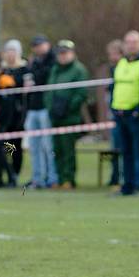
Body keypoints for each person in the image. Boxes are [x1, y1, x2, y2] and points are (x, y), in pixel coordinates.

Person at [44, 40, 89, 189]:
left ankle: (68, 179)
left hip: (69, 117)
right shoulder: (55, 69)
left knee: (68, 149)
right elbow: (49, 92)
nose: (62, 56)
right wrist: (51, 108)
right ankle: (58, 177)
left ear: (72, 53)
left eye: (65, 53)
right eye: (60, 53)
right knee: (57, 150)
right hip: (55, 116)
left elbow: (81, 94)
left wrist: (67, 108)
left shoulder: (78, 70)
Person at [111, 31, 139, 196]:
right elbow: (116, 87)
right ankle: (127, 185)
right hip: (120, 115)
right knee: (125, 152)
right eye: (128, 42)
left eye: (135, 42)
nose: (131, 45)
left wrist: (137, 110)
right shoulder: (121, 63)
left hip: (136, 115)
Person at [24, 35, 59, 189]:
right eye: (35, 45)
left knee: (48, 146)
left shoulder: (53, 59)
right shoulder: (34, 61)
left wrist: (34, 78)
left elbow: (45, 76)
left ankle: (52, 178)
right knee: (34, 147)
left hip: (45, 108)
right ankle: (37, 178)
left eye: (40, 45)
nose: (38, 48)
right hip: (33, 108)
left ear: (48, 44)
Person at [0, 53, 19, 187]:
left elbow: (8, 104)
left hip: (2, 122)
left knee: (0, 150)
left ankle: (11, 177)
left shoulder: (5, 80)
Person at [1, 39, 30, 177]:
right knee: (5, 145)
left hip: (18, 113)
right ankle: (6, 171)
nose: (11, 54)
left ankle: (16, 172)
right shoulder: (2, 69)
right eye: (8, 51)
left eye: (14, 51)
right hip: (4, 114)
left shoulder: (25, 68)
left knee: (16, 145)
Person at [103, 39, 124, 187]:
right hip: (114, 115)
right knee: (115, 147)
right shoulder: (112, 69)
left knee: (123, 148)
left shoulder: (124, 68)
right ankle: (115, 176)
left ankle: (122, 177)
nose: (112, 57)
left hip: (124, 115)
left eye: (115, 54)